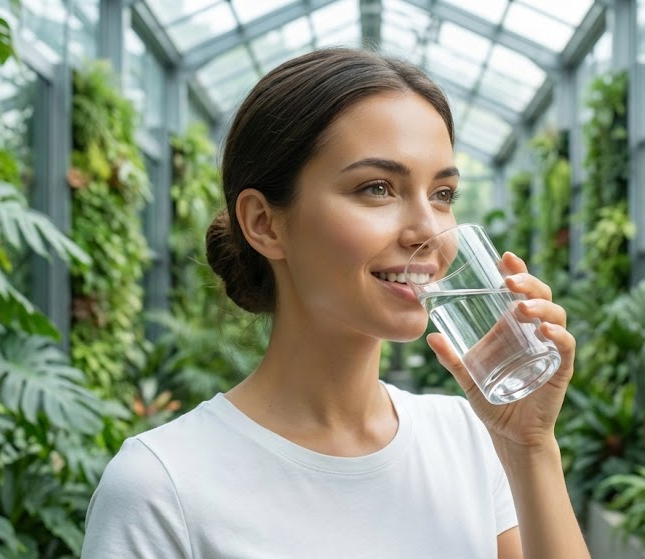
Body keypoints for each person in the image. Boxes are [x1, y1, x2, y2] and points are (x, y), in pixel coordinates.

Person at [82, 47, 589, 559]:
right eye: (377, 188)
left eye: (442, 194)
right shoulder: (162, 487)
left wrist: (530, 446)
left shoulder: (469, 440)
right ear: (264, 222)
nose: (428, 231)